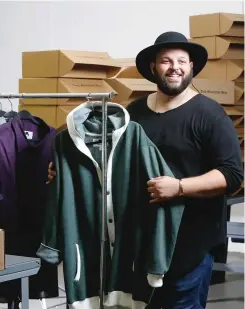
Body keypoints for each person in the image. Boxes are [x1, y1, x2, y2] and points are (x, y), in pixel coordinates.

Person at [46, 31, 243, 309]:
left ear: (191, 68)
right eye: (166, 61)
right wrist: (67, 170)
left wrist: (179, 187)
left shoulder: (209, 114)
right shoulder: (133, 113)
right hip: (137, 242)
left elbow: (232, 175)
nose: (175, 67)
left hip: (189, 244)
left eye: (182, 61)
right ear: (153, 67)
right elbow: (106, 160)